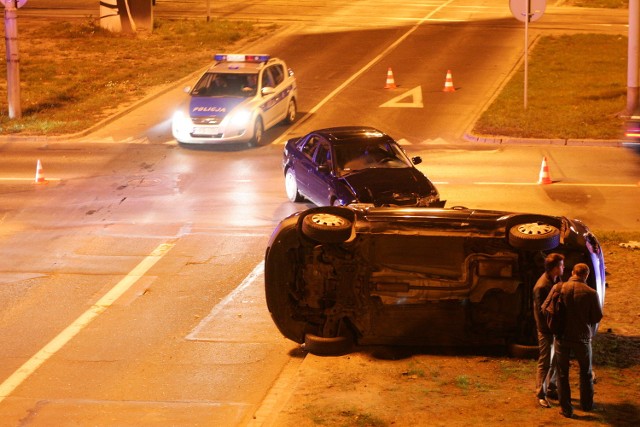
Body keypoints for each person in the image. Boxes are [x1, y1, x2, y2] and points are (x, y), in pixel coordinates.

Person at [549, 263, 603, 418]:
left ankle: (566, 408)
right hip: (582, 338)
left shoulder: (559, 288)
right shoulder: (591, 293)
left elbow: (548, 308)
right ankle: (587, 404)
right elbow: (597, 317)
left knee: (562, 373)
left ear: (572, 272)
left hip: (562, 337)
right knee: (585, 372)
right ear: (586, 275)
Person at [533, 253, 564, 408]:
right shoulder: (542, 286)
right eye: (561, 265)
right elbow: (540, 312)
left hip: (553, 328)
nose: (563, 267)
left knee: (555, 360)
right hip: (546, 330)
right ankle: (540, 394)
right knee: (545, 361)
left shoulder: (555, 280)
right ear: (554, 268)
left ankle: (551, 388)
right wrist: (549, 329)